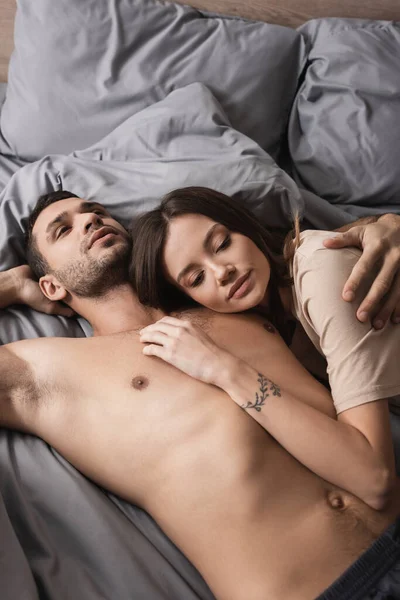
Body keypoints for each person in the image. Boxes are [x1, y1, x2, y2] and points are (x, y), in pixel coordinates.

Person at [2, 190, 400, 600]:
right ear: (50, 285)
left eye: (95, 211)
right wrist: (11, 285)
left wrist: (386, 226)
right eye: (63, 229)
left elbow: (319, 262)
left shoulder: (226, 294)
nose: (89, 221)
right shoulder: (48, 372)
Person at [130, 186, 400, 507]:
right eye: (196, 279)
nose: (222, 272)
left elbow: (376, 480)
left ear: (244, 227)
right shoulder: (277, 326)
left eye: (222, 244)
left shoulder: (319, 272)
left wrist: (224, 370)